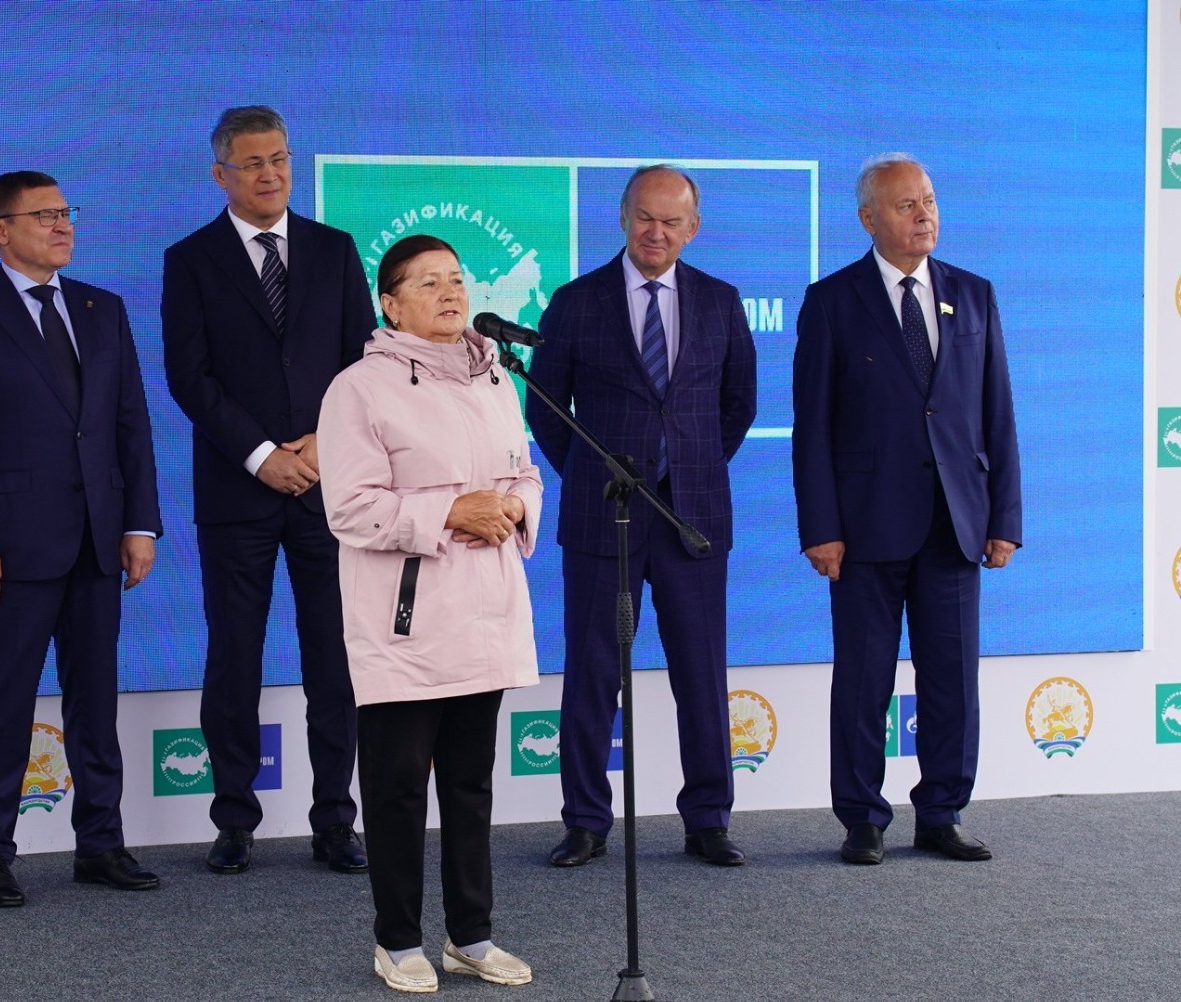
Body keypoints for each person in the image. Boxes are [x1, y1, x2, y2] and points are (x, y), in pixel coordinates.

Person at [0, 171, 164, 905]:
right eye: (45, 215)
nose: (63, 226)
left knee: (96, 701)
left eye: (67, 212)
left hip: (99, 540)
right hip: (8, 548)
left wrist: (139, 522)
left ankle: (101, 843)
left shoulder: (102, 308)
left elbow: (129, 423)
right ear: (0, 230)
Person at [318, 234, 541, 994]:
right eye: (428, 283)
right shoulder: (359, 389)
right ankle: (399, 941)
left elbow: (524, 473)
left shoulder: (495, 376)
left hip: (486, 611)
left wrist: (514, 507)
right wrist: (451, 512)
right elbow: (350, 508)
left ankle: (471, 936)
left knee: (471, 786)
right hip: (405, 623)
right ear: (390, 303)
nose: (450, 293)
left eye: (456, 280)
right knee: (398, 787)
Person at [161, 105, 377, 875]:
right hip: (237, 491)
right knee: (234, 659)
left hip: (326, 486)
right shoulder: (190, 259)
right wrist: (261, 456)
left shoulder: (334, 249)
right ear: (220, 174)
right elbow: (190, 377)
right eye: (252, 163)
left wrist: (319, 444)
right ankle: (234, 820)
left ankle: (336, 820)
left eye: (279, 158)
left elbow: (364, 363)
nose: (270, 174)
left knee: (334, 661)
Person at [792, 153, 1020, 865]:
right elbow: (812, 427)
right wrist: (821, 527)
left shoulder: (974, 294)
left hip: (956, 523)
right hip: (863, 528)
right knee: (864, 681)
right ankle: (863, 818)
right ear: (868, 218)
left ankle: (942, 813)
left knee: (952, 681)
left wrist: (1004, 519)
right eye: (905, 205)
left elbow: (997, 414)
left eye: (929, 201)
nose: (923, 215)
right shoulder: (831, 301)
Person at [529, 165, 757, 869]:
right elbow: (546, 408)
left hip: (693, 519)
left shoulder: (720, 301)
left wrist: (686, 469)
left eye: (671, 221)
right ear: (624, 217)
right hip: (604, 519)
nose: (656, 232)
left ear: (693, 228)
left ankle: (708, 821)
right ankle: (585, 822)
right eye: (645, 218)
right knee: (593, 674)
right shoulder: (576, 301)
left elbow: (737, 405)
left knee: (701, 675)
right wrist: (598, 477)